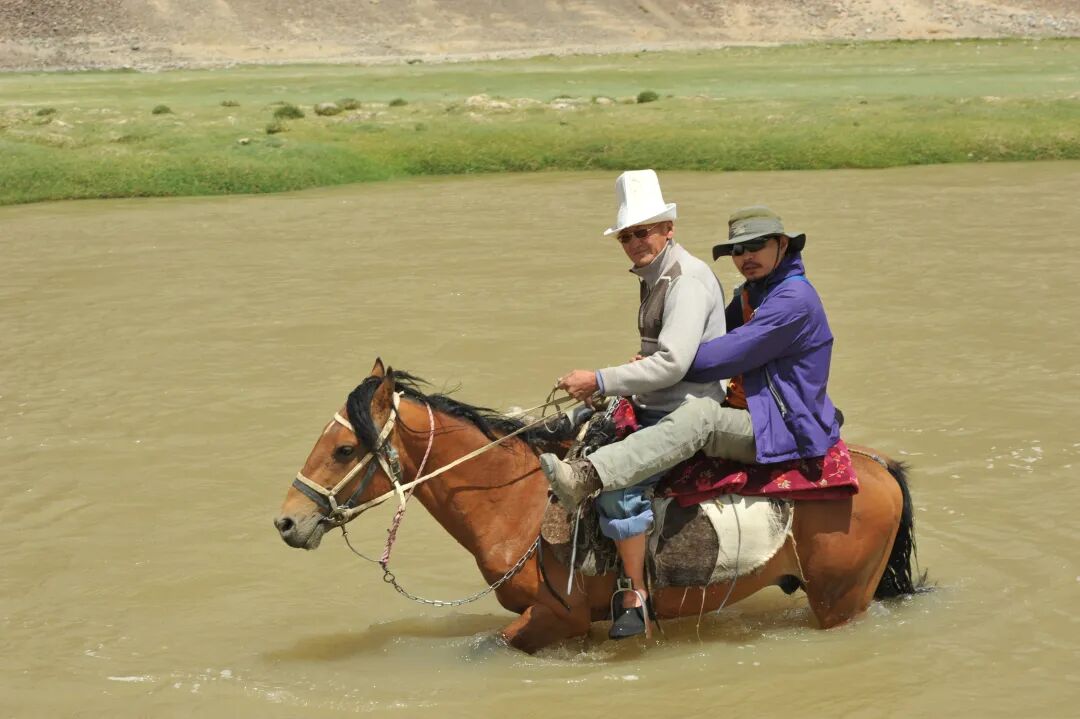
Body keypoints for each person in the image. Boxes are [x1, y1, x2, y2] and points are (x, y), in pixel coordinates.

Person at [542, 205, 841, 622]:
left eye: (757, 246)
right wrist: (656, 363)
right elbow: (705, 336)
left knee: (700, 415)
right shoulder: (753, 293)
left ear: (782, 245)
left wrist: (654, 365)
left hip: (781, 425)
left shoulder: (793, 301)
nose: (746, 256)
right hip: (748, 409)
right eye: (738, 250)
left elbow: (714, 356)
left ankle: (591, 476)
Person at [543, 169, 728, 639]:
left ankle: (636, 596)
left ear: (668, 228)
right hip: (656, 401)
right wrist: (628, 372)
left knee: (616, 484)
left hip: (684, 412)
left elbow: (672, 364)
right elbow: (665, 354)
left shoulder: (685, 280)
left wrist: (600, 379)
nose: (633, 243)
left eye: (642, 232)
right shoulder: (655, 275)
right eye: (626, 236)